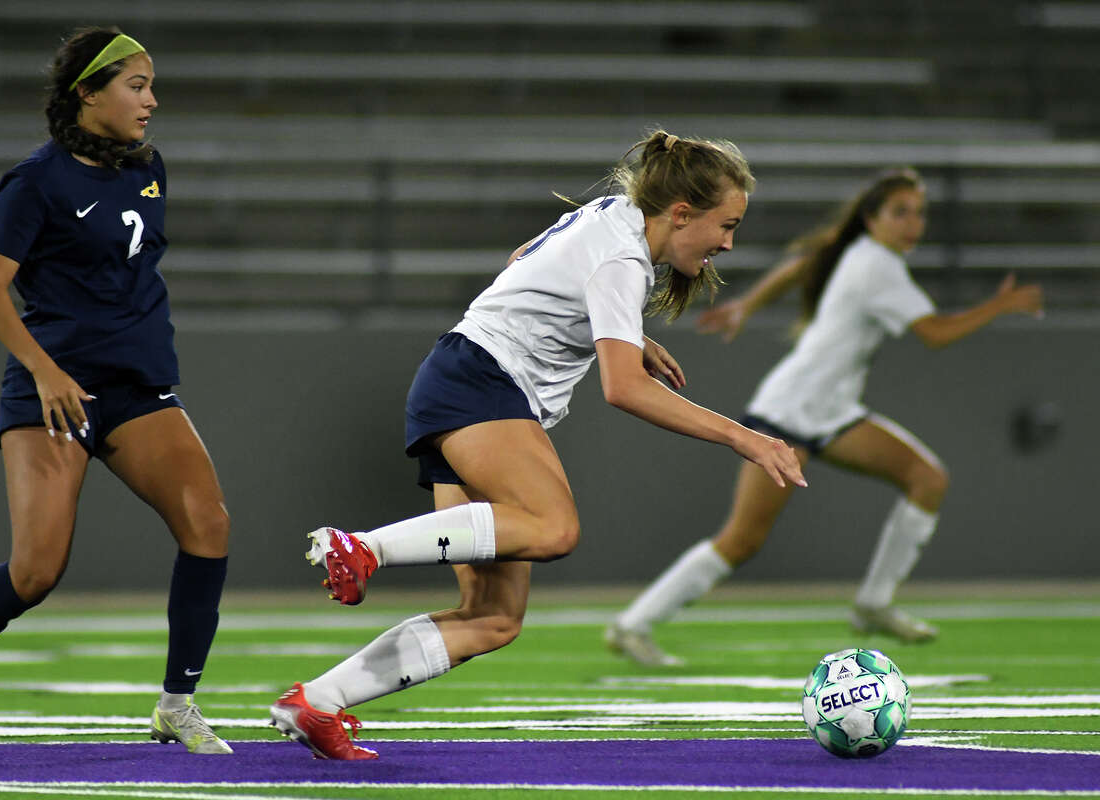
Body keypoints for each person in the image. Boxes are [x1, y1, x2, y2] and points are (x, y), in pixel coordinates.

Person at [266, 131, 808, 760]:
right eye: (726, 225)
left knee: (493, 618)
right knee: (553, 529)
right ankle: (360, 548)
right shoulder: (623, 258)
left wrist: (619, 328)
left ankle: (316, 703)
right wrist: (744, 437)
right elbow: (623, 388)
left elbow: (523, 259)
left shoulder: (613, 216)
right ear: (680, 213)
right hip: (481, 384)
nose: (728, 244)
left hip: (463, 379)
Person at [0, 27, 232, 754]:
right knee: (37, 571)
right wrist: (46, 369)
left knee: (208, 525)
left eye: (150, 85)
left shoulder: (150, 169)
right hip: (54, 389)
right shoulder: (37, 180)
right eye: (136, 85)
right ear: (87, 92)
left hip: (138, 385)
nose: (152, 100)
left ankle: (177, 704)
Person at [606, 167, 1044, 666]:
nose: (913, 224)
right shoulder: (877, 266)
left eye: (920, 213)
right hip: (790, 413)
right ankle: (632, 626)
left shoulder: (857, 253)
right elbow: (935, 333)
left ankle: (874, 603)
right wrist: (1000, 305)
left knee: (927, 479)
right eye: (900, 212)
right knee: (742, 539)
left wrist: (748, 303)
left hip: (832, 414)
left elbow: (804, 263)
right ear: (872, 219)